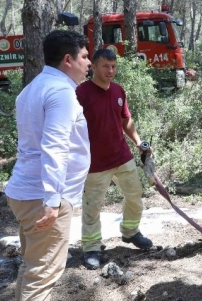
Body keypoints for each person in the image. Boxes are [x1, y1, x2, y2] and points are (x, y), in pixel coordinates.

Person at [4, 30, 91, 301]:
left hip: (26, 192)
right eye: (85, 57)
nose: (89, 63)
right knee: (43, 274)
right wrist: (53, 201)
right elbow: (54, 147)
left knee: (34, 267)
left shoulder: (32, 88)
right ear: (68, 59)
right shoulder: (61, 92)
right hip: (45, 197)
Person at [76, 48, 153, 270]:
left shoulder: (119, 91)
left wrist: (138, 142)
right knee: (92, 207)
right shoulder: (81, 93)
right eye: (105, 66)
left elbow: (125, 119)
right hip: (95, 163)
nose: (110, 71)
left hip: (121, 155)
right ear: (94, 67)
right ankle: (91, 247)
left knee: (135, 195)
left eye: (114, 67)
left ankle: (130, 232)